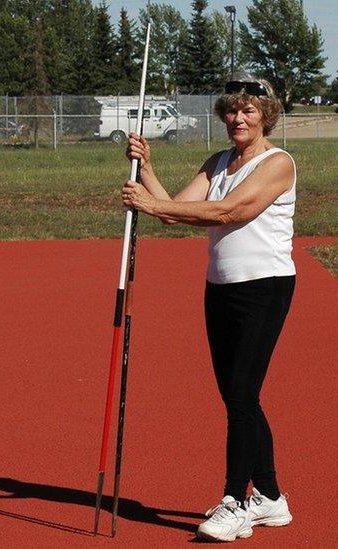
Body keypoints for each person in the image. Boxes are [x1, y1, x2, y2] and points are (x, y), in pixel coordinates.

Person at [121, 72, 296, 542]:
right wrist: (147, 170)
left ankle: (235, 500)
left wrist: (147, 204)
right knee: (239, 397)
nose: (238, 118)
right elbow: (176, 209)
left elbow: (228, 212)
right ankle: (272, 499)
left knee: (240, 395)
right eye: (232, 111)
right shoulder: (218, 161)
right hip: (221, 287)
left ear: (266, 117)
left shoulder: (278, 164)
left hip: (266, 287)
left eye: (249, 111)